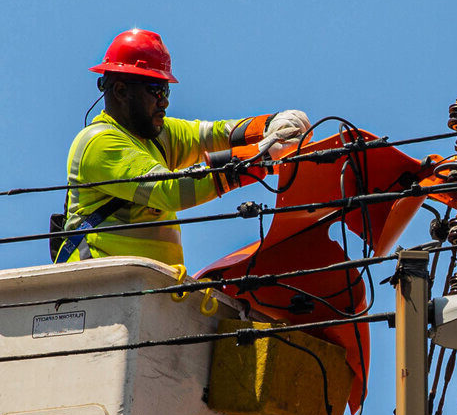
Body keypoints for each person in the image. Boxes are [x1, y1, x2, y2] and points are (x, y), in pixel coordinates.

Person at [58, 29, 310, 266]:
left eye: (165, 90)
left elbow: (214, 134)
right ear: (121, 91)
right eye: (156, 90)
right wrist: (257, 160)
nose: (165, 101)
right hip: (98, 290)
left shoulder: (156, 135)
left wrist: (269, 125)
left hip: (146, 286)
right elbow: (171, 190)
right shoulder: (99, 142)